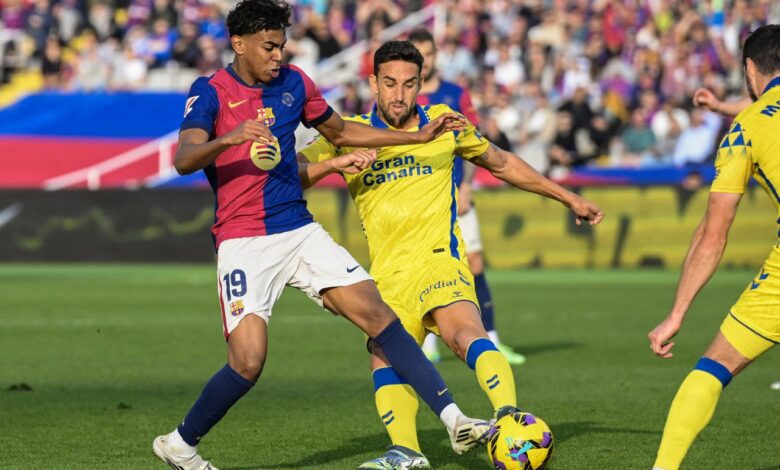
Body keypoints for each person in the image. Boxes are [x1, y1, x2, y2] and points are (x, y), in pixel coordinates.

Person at [152, 2, 491, 469]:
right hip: (243, 238)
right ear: (239, 44)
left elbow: (341, 131)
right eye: (269, 47)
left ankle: (454, 419)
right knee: (248, 363)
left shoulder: (295, 84)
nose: (278, 55)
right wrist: (228, 139)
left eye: (281, 46)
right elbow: (184, 159)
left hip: (298, 227)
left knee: (378, 315)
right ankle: (180, 444)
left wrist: (414, 139)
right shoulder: (210, 92)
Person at [299, 40, 604, 469]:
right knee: (384, 359)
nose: (399, 94)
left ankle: (507, 419)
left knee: (462, 335)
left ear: (421, 84)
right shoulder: (345, 133)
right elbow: (294, 171)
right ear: (372, 83)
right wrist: (331, 166)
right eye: (389, 83)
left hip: (439, 259)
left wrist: (566, 196)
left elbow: (500, 163)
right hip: (387, 275)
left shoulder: (445, 124)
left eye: (409, 84)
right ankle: (406, 452)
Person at [648, 25, 780, 470]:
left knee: (714, 365)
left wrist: (676, 314)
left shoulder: (748, 127)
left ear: (749, 67)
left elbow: (713, 233)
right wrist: (727, 106)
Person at [408, 28, 527, 365]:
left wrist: (469, 185)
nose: (424, 60)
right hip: (419, 199)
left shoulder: (454, 93)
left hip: (456, 196)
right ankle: (428, 342)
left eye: (429, 54)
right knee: (423, 268)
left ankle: (491, 338)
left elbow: (473, 141)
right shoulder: (402, 97)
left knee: (474, 263)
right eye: (418, 53)